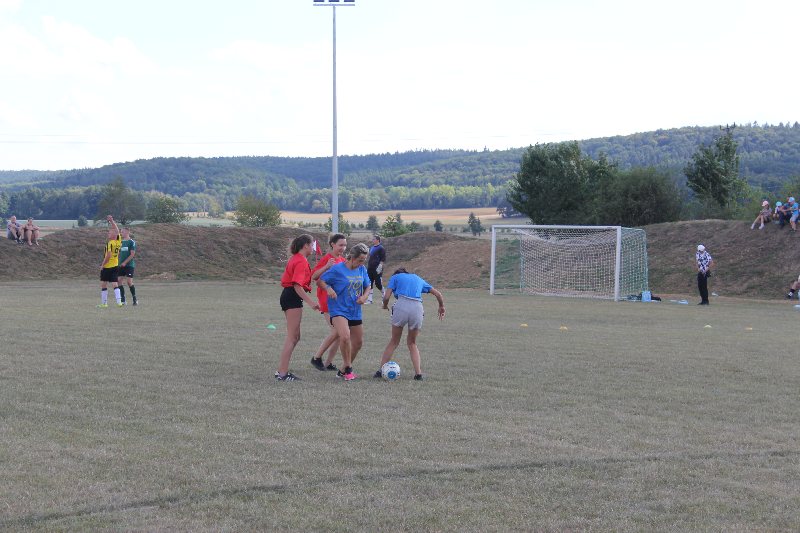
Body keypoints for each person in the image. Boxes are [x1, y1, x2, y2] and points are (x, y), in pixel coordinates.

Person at [374, 268, 445, 381]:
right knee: (412, 343)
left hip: (401, 305)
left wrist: (385, 305)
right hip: (417, 308)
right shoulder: (418, 279)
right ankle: (418, 374)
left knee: (394, 341)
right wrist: (441, 306)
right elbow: (438, 294)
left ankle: (380, 371)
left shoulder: (395, 277)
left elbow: (386, 297)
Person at [318, 243, 371, 381]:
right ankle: (348, 368)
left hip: (355, 310)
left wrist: (365, 297)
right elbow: (321, 281)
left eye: (364, 261)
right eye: (360, 260)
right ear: (352, 257)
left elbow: (368, 285)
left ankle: (342, 370)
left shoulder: (362, 269)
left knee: (358, 343)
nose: (362, 263)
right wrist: (328, 289)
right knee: (345, 336)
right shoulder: (337, 269)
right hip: (338, 309)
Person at [276, 234, 321, 382]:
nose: (313, 248)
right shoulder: (300, 260)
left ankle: (282, 369)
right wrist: (311, 302)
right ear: (306, 245)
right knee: (292, 337)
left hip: (290, 296)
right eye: (312, 245)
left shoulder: (296, 258)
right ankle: (282, 373)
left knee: (296, 337)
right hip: (292, 296)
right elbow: (297, 285)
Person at [309, 233, 347, 372]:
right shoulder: (327, 259)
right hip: (327, 300)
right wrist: (326, 266)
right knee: (337, 331)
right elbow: (314, 276)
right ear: (332, 244)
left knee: (338, 334)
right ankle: (316, 358)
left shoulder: (342, 260)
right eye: (340, 245)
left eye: (345, 245)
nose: (343, 248)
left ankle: (328, 363)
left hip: (339, 301)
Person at [98, 215, 123, 308]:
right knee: (114, 284)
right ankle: (119, 302)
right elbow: (117, 230)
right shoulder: (118, 241)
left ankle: (104, 303)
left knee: (104, 284)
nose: (108, 234)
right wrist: (112, 221)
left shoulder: (110, 243)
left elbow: (108, 256)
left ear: (113, 235)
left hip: (108, 267)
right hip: (115, 266)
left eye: (109, 233)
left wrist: (102, 265)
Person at [117, 227, 138, 305]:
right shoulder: (121, 242)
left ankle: (134, 299)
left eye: (122, 232)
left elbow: (132, 254)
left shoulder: (131, 242)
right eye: (121, 232)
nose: (121, 233)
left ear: (127, 232)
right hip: (121, 265)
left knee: (129, 282)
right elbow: (119, 253)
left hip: (129, 265)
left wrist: (125, 262)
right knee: (119, 281)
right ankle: (123, 300)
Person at [366, 235, 386, 304]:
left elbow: (383, 258)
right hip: (370, 268)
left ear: (378, 240)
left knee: (378, 283)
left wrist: (380, 266)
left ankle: (384, 295)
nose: (372, 240)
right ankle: (369, 300)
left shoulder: (381, 248)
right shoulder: (372, 248)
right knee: (370, 283)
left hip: (377, 268)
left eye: (374, 239)